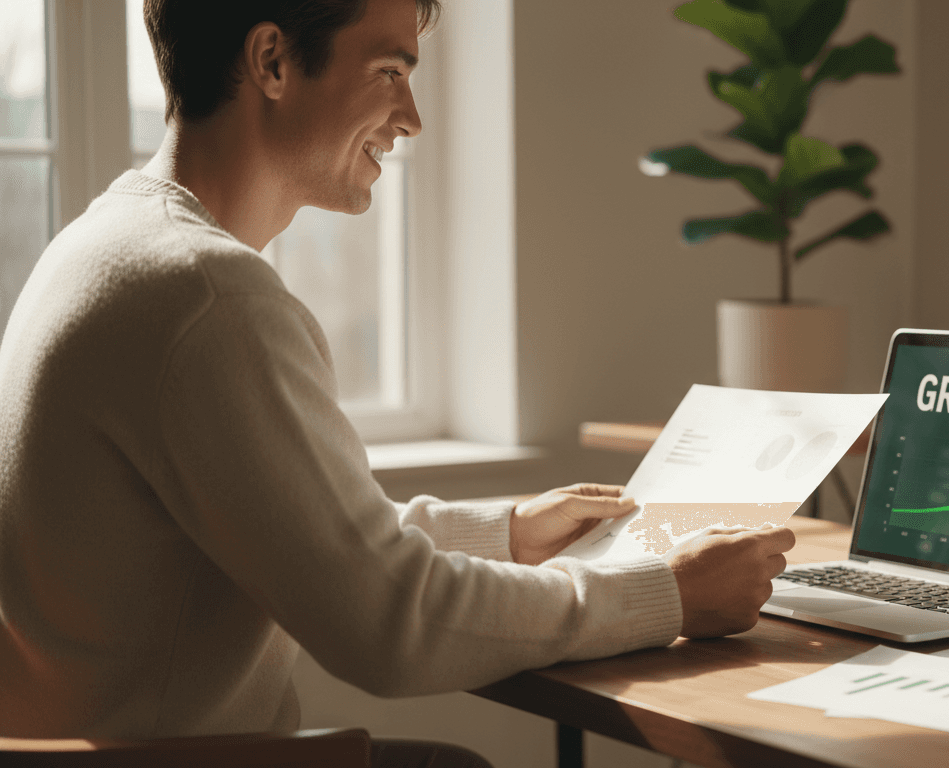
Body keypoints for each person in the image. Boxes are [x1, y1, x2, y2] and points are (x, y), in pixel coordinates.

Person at [0, 0, 795, 757]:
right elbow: (388, 622)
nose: (412, 118)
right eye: (389, 72)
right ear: (272, 61)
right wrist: (669, 595)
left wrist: (506, 533)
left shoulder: (108, 247)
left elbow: (316, 539)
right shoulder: (205, 296)